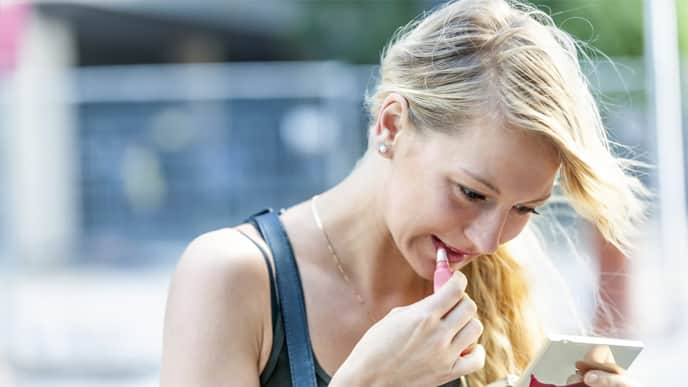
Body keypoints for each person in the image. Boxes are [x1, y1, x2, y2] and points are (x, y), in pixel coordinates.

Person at [160, 0, 648, 386]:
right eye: (472, 193)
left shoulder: (496, 286)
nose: (486, 241)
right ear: (392, 125)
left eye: (524, 208)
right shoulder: (232, 278)